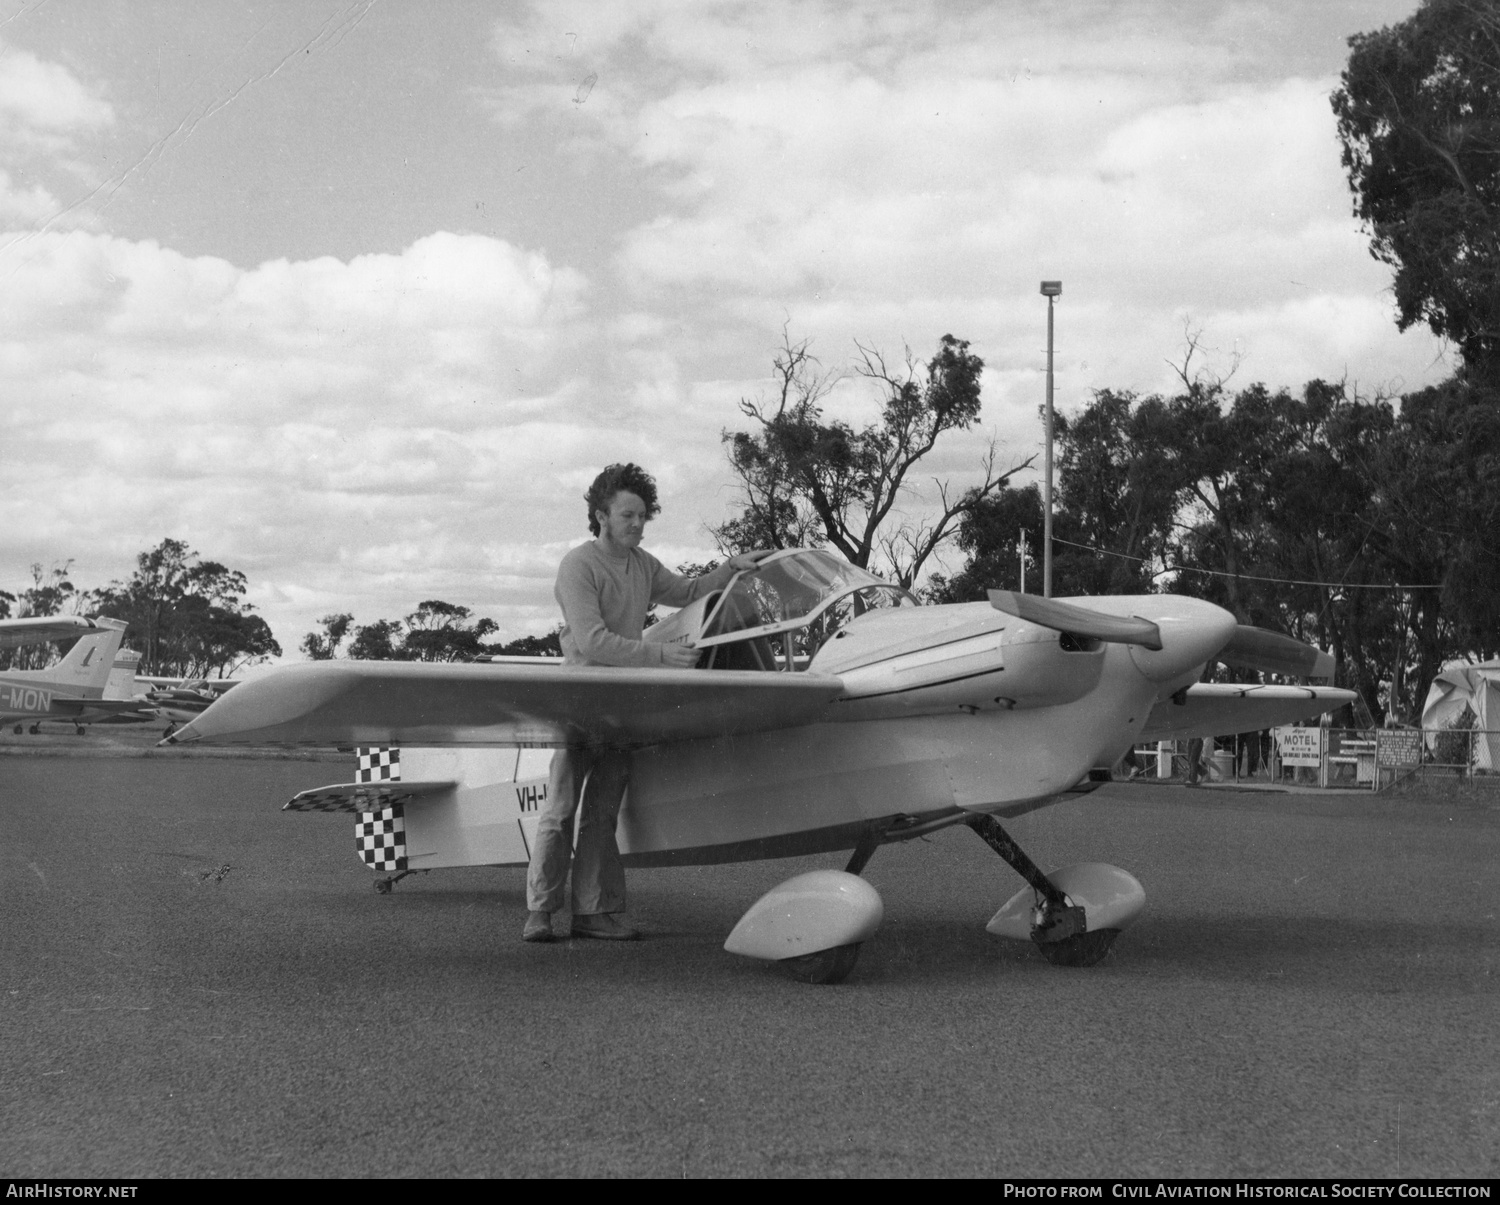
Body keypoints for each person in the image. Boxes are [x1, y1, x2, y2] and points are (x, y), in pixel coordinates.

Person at [523, 462, 769, 943]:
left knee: (602, 812)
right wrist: (661, 656)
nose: (637, 524)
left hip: (624, 704)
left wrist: (730, 567)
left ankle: (593, 912)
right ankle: (540, 911)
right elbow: (593, 642)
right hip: (583, 699)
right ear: (601, 516)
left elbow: (689, 592)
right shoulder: (578, 565)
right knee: (560, 810)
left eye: (643, 516)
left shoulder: (642, 564)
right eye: (627, 515)